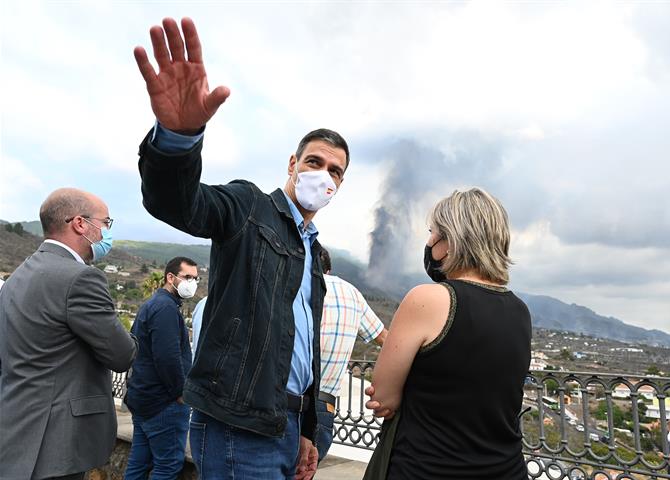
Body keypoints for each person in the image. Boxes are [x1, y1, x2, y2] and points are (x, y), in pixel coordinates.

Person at [134, 17, 349, 479]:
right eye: (314, 162)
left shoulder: (313, 253)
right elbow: (178, 202)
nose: (323, 175)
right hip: (237, 426)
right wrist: (178, 139)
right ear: (292, 164)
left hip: (286, 425)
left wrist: (307, 428)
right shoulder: (249, 207)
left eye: (335, 171)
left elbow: (302, 349)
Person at [363, 188, 531, 479]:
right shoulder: (521, 311)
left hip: (427, 469)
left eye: (433, 233)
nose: (429, 242)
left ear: (452, 240)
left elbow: (384, 396)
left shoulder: (426, 299)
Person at [0, 188, 138, 479]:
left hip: (16, 429)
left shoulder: (18, 276)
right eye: (105, 223)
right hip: (57, 441)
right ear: (80, 224)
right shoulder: (81, 278)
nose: (107, 232)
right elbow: (121, 354)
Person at [306, 247, 388, 464]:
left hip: (284, 400)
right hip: (324, 406)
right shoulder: (351, 293)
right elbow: (385, 339)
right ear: (329, 270)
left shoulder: (296, 285)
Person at [123, 256, 198, 479]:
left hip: (144, 398)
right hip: (163, 403)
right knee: (167, 466)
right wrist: (179, 393)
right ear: (170, 277)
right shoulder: (165, 309)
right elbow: (167, 358)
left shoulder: (153, 304)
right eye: (187, 277)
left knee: (139, 463)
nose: (192, 283)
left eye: (195, 278)